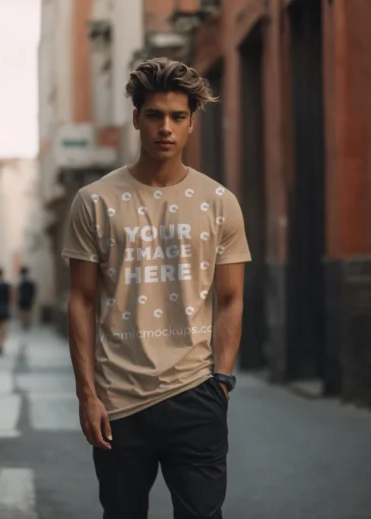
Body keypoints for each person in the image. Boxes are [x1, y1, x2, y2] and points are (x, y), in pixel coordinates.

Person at [62, 57, 251, 519]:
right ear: (136, 119)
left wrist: (221, 382)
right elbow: (82, 301)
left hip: (196, 392)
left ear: (191, 124)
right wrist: (88, 395)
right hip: (117, 400)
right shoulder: (94, 201)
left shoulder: (219, 203)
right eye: (154, 115)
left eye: (177, 117)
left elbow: (230, 299)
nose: (165, 128)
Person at [17, 266, 37, 331]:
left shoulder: (21, 282)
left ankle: (25, 323)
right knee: (27, 312)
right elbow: (33, 292)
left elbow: (19, 292)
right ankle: (27, 323)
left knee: (23, 312)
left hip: (23, 299)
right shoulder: (30, 282)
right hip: (28, 299)